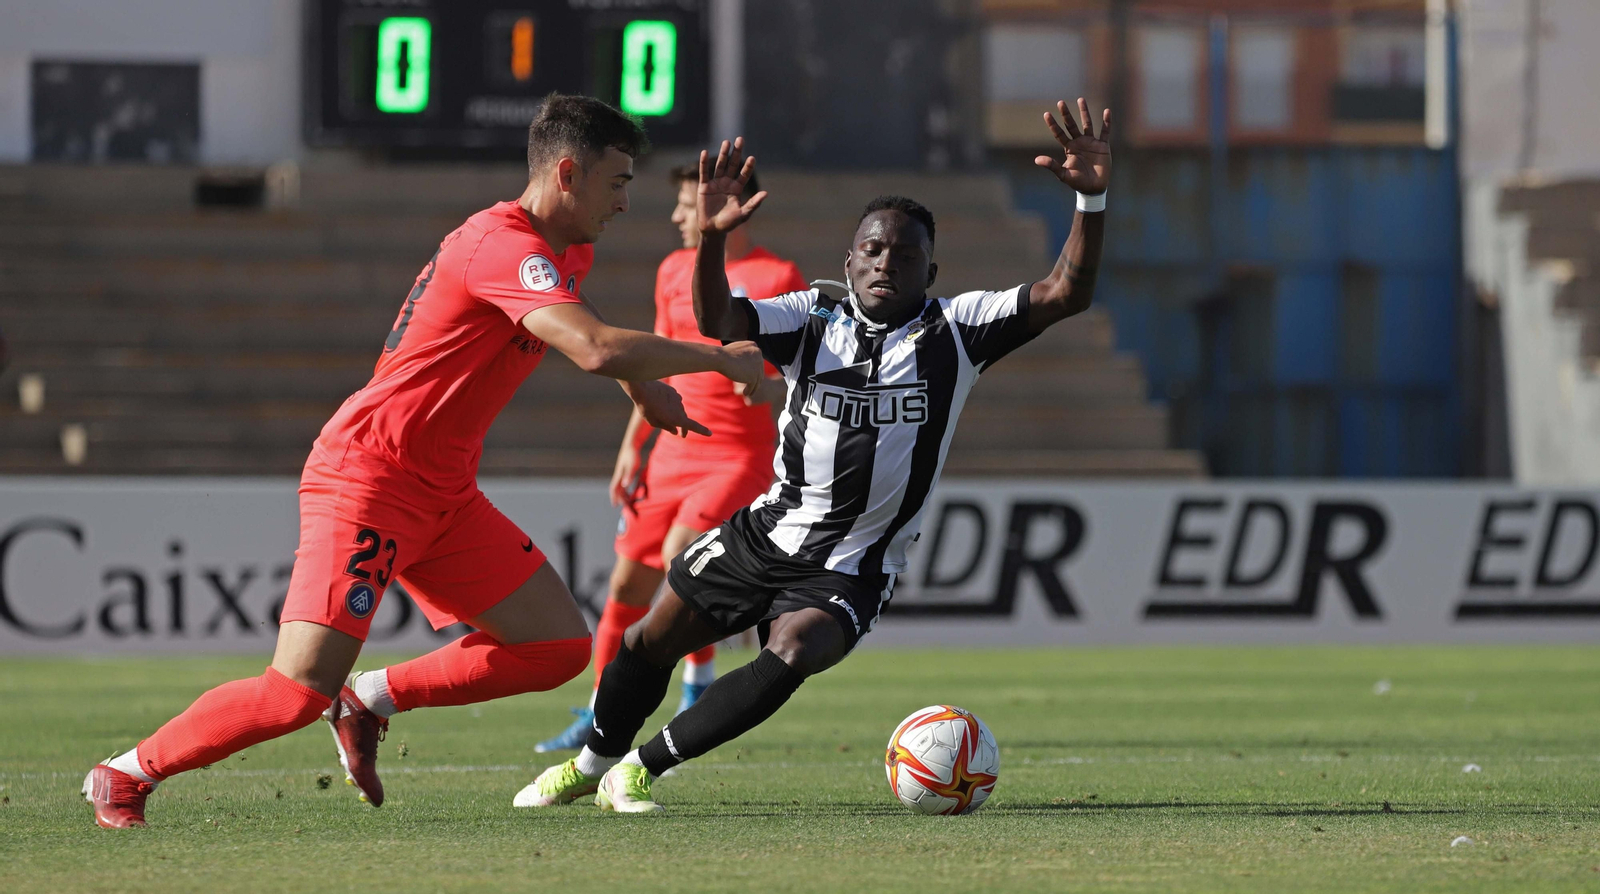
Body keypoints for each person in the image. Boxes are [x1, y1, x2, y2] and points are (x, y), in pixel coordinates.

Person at [81, 94, 764, 828]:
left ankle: (370, 697)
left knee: (557, 645)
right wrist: (717, 359)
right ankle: (124, 773)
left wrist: (644, 385)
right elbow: (591, 343)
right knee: (293, 691)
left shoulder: (566, 247)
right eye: (618, 181)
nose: (626, 201)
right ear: (568, 172)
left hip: (444, 491)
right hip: (368, 478)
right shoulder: (501, 245)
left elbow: (580, 317)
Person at [516, 98, 1112, 812]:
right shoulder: (811, 316)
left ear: (931, 269)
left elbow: (1064, 293)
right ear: (850, 260)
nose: (888, 262)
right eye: (874, 250)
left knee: (795, 650)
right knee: (649, 638)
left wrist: (1091, 197)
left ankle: (640, 767)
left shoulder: (959, 329)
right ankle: (588, 763)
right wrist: (709, 238)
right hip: (768, 531)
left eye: (906, 254)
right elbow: (717, 322)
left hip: (857, 563)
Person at [531, 166, 804, 755]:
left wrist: (766, 386)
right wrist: (633, 447)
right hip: (673, 450)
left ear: (725, 209)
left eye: (689, 206)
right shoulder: (671, 270)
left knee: (683, 555)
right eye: (683, 206)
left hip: (737, 454)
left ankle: (697, 684)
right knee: (627, 583)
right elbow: (654, 364)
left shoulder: (777, 275)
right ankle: (600, 712)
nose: (680, 217)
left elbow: (790, 372)